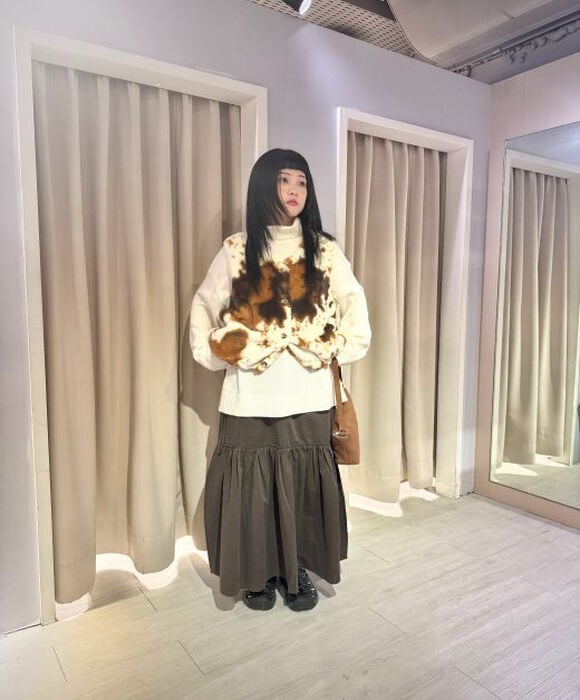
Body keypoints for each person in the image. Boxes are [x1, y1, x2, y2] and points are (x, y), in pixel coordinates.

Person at [190, 148, 371, 611]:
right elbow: (203, 309)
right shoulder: (236, 249)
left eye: (302, 182)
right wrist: (232, 349)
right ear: (263, 187)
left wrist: (331, 345)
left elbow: (355, 308)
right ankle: (257, 573)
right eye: (284, 180)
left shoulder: (325, 250)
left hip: (309, 392)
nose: (294, 190)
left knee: (303, 491)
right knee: (252, 492)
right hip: (250, 394)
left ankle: (297, 570)